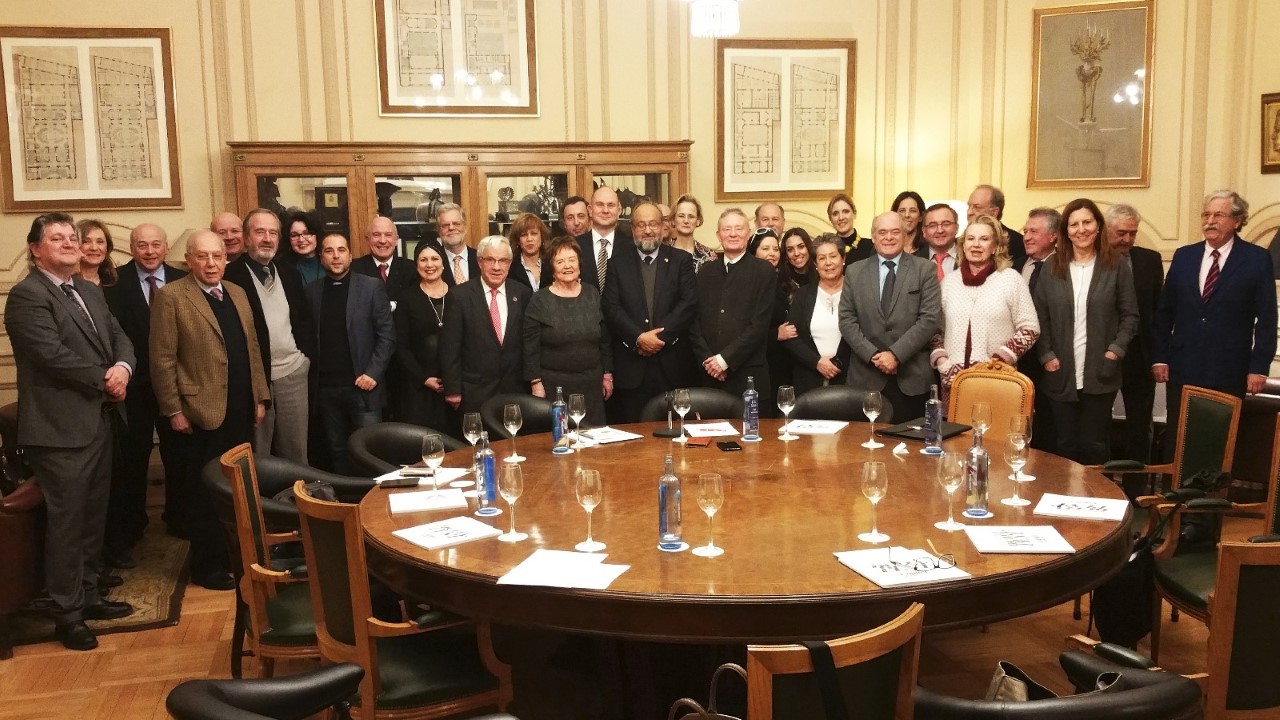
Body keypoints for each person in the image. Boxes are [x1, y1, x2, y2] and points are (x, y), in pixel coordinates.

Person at [5, 212, 137, 650]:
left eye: (71, 237)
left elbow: (120, 338)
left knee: (91, 516)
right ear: (35, 249)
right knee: (67, 522)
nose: (68, 242)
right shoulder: (27, 295)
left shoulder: (87, 289)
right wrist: (106, 379)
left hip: (98, 421)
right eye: (56, 237)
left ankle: (89, 594)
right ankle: (67, 614)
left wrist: (122, 367)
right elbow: (51, 355)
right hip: (59, 430)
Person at [151, 229, 269, 591]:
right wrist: (173, 410)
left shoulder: (237, 292)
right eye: (202, 256)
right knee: (204, 494)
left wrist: (260, 397)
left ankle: (239, 556)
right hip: (200, 413)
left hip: (240, 409)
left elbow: (251, 348)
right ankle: (207, 565)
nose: (211, 263)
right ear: (188, 260)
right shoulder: (172, 296)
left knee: (239, 488)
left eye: (217, 256)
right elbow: (162, 358)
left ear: (226, 258)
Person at [1152, 190, 1277, 461]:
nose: (1210, 221)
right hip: (1184, 364)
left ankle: (1211, 500)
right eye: (1206, 215)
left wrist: (1259, 367)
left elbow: (1267, 318)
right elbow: (1165, 312)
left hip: (1229, 366)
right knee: (1179, 437)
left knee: (1219, 440)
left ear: (1237, 220)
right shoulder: (1184, 256)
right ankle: (1174, 498)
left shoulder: (1256, 259)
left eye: (1218, 215)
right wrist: (1160, 357)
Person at [102, 223, 187, 565]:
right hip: (132, 387)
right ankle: (133, 524)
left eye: (155, 244)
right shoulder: (114, 284)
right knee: (132, 459)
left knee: (179, 455)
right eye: (142, 245)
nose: (149, 251)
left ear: (166, 247)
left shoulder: (184, 278)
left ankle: (179, 518)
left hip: (176, 385)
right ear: (131, 249)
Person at [1030, 199, 1139, 464]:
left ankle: (1094, 501)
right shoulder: (1051, 267)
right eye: (1074, 224)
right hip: (1059, 371)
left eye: (1087, 222)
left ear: (1098, 227)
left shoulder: (1116, 266)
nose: (1081, 229)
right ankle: (1064, 501)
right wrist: (1046, 355)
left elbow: (1130, 316)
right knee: (1064, 444)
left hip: (1100, 373)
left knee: (1094, 445)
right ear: (1066, 231)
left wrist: (1114, 352)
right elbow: (1039, 317)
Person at [224, 209, 315, 464]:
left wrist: (305, 358)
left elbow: (302, 321)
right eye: (260, 232)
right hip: (254, 381)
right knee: (256, 456)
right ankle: (258, 505)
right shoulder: (230, 276)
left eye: (273, 233)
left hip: (293, 375)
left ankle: (297, 503)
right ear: (245, 238)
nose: (267, 238)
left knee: (297, 455)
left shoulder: (288, 272)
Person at [305, 233, 395, 474]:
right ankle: (346, 504)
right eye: (329, 251)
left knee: (368, 451)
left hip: (363, 386)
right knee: (335, 450)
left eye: (341, 250)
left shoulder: (370, 287)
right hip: (325, 390)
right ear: (321, 257)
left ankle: (371, 505)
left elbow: (387, 335)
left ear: (350, 255)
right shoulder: (312, 292)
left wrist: (373, 374)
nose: (336, 256)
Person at [601, 202, 699, 423]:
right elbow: (611, 307)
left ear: (663, 226)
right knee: (634, 439)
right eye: (641, 225)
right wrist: (638, 338)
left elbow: (688, 304)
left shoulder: (680, 260)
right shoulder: (617, 263)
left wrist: (657, 339)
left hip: (672, 366)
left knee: (675, 434)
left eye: (653, 224)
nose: (647, 230)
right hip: (631, 367)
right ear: (633, 229)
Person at [838, 212, 942, 419]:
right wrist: (874, 356)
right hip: (866, 376)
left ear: (905, 236)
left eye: (895, 232)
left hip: (911, 378)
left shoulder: (925, 270)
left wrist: (895, 355)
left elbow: (930, 319)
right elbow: (846, 320)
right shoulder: (854, 271)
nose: (889, 237)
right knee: (865, 446)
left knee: (911, 447)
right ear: (873, 237)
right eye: (882, 232)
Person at [930, 215, 1039, 395]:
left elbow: (1030, 328)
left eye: (984, 239)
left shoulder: (1011, 279)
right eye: (970, 239)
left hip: (997, 380)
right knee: (955, 424)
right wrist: (942, 362)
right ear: (963, 245)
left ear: (995, 246)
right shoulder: (949, 282)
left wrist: (998, 362)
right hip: (953, 382)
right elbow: (934, 330)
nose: (976, 245)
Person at [524, 237, 613, 425]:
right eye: (560, 261)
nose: (567, 266)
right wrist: (535, 383)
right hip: (554, 387)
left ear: (579, 263)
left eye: (572, 260)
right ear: (552, 268)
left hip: (592, 385)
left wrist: (607, 374)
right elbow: (530, 347)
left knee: (595, 443)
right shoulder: (539, 301)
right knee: (561, 443)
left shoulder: (592, 294)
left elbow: (604, 339)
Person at [441, 236, 533, 415]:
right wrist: (453, 389)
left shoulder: (522, 293)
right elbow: (450, 346)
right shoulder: (459, 296)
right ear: (480, 262)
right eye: (490, 260)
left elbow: (529, 342)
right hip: (475, 392)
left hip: (514, 390)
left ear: (509, 263)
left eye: (503, 261)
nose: (497, 267)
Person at [691, 209, 776, 396]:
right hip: (709, 374)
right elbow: (693, 321)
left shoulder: (764, 272)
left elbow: (759, 326)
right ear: (718, 235)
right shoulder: (705, 272)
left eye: (739, 228)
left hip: (748, 374)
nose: (733, 234)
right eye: (727, 229)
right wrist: (708, 360)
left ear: (748, 233)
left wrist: (724, 360)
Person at [1107, 203, 1164, 463]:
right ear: (1106, 231)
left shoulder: (1149, 261)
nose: (1127, 239)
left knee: (1140, 427)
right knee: (1097, 425)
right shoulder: (1092, 261)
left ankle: (1136, 490)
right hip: (1102, 355)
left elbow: (1157, 312)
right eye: (1121, 233)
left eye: (1132, 233)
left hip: (1139, 357)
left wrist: (1157, 357)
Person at [394, 242, 457, 434]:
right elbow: (401, 346)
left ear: (443, 263)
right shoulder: (406, 298)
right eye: (423, 259)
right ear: (416, 265)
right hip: (418, 388)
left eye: (434, 258)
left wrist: (454, 381)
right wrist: (423, 378)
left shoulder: (459, 295)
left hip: (454, 387)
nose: (429, 264)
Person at [1013, 207, 1062, 453]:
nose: (1027, 236)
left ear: (1053, 236)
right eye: (1025, 231)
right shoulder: (1015, 267)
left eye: (1034, 231)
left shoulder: (1065, 267)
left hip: (1054, 359)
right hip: (1020, 359)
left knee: (1049, 425)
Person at [785, 235, 853, 394]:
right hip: (809, 380)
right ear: (815, 263)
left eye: (833, 256)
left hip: (849, 379)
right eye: (822, 258)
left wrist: (837, 364)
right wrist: (816, 362)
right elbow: (790, 338)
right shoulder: (803, 295)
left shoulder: (856, 292)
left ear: (843, 258)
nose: (828, 263)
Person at [748, 228, 794, 415]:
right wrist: (775, 334)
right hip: (760, 363)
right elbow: (745, 329)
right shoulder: (748, 282)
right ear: (754, 252)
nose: (772, 253)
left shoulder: (782, 280)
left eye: (775, 249)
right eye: (765, 248)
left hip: (783, 362)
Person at [577, 186, 632, 291]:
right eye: (600, 205)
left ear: (619, 210)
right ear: (590, 210)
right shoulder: (575, 246)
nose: (605, 210)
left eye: (611, 205)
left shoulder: (632, 247)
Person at [352, 215, 415, 305]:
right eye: (376, 235)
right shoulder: (355, 270)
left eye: (388, 235)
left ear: (396, 240)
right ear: (367, 239)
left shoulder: (411, 269)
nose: (382, 240)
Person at [967, 184, 1026, 261]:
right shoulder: (961, 241)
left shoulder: (1015, 242)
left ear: (994, 212)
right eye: (969, 206)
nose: (969, 212)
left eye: (977, 207)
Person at [668, 193, 718, 272]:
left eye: (691, 216)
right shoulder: (663, 254)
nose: (686, 221)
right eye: (681, 216)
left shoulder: (709, 256)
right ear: (673, 220)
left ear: (698, 221)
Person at [915, 203, 961, 281]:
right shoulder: (913, 261)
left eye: (946, 224)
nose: (940, 230)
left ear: (956, 228)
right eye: (932, 225)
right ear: (924, 231)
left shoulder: (969, 257)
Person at [437, 203, 480, 285]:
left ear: (465, 227)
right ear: (439, 231)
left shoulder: (481, 259)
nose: (451, 228)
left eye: (456, 223)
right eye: (445, 225)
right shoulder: (433, 263)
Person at [507, 212, 552, 290]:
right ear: (518, 240)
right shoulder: (510, 267)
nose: (529, 239)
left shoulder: (552, 264)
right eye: (524, 235)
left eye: (534, 234)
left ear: (542, 237)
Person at [828, 193, 872, 265]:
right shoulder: (826, 250)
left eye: (846, 211)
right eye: (835, 213)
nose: (841, 217)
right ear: (830, 219)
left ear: (854, 214)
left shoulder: (871, 247)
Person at [283, 211, 323, 285]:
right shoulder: (282, 268)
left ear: (317, 235)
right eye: (294, 235)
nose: (301, 240)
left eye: (307, 233)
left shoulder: (328, 262)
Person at [77, 219, 118, 287]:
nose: (94, 248)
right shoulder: (66, 282)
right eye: (86, 241)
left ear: (107, 247)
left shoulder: (115, 282)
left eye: (100, 242)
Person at [781, 228, 816, 303]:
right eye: (790, 250)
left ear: (809, 247)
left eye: (801, 246)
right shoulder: (781, 281)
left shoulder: (821, 276)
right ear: (786, 255)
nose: (796, 253)